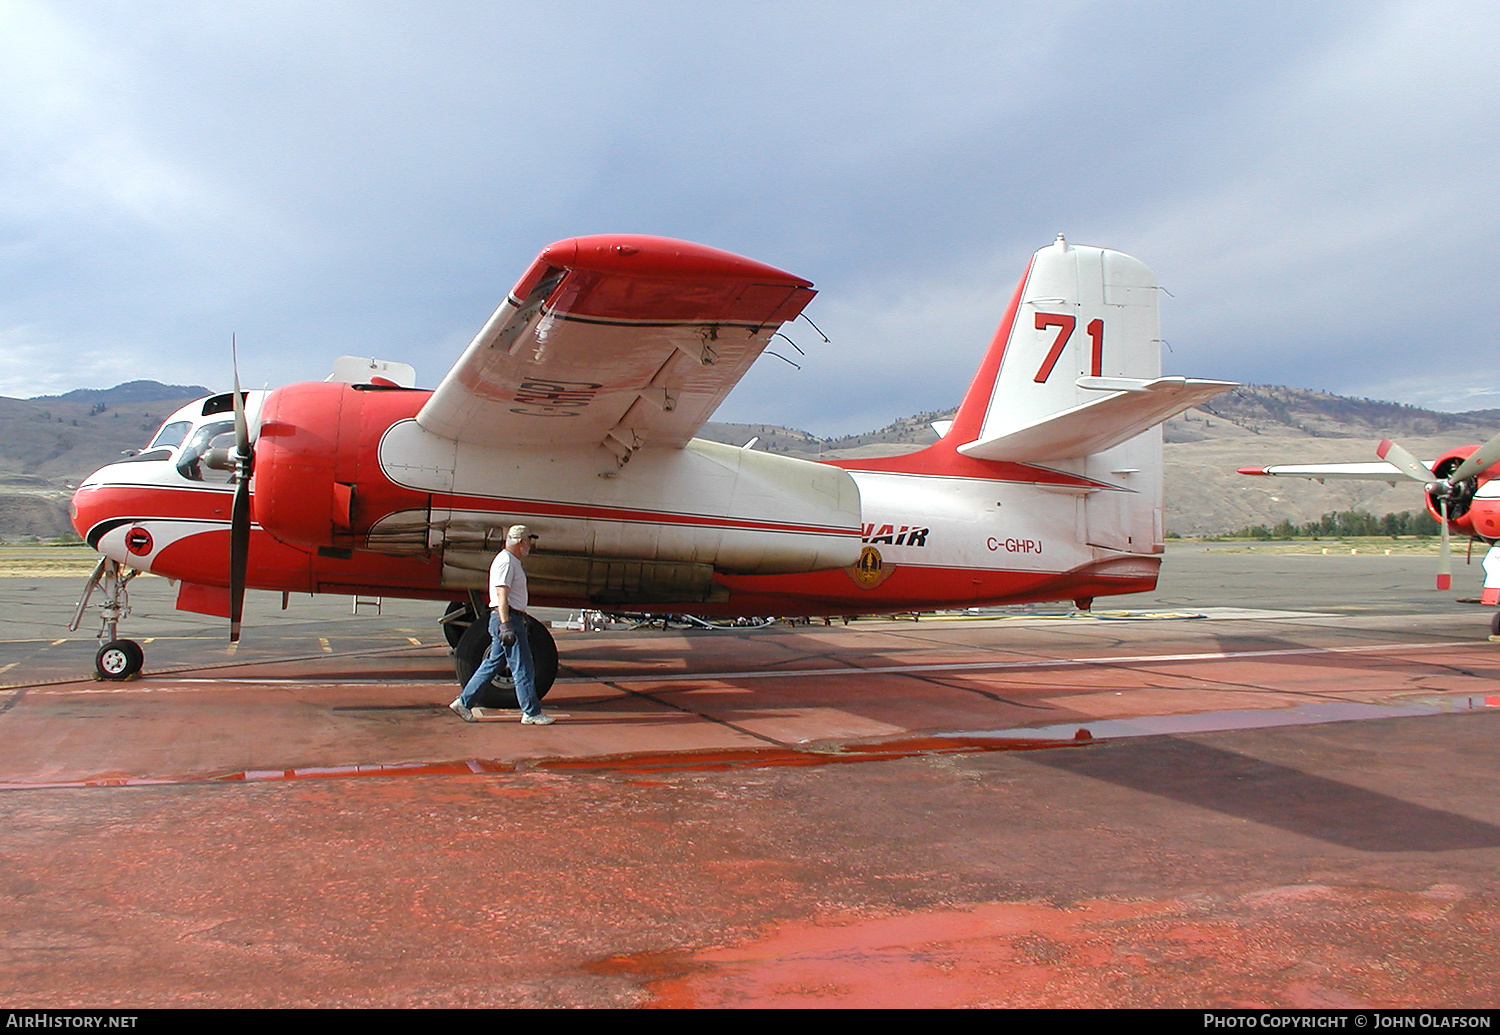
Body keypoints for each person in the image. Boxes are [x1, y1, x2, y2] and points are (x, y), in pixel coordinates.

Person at [450, 525, 554, 725]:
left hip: (507, 618)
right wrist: (506, 624)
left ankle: (464, 702)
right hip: (507, 618)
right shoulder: (506, 561)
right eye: (529, 541)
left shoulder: (510, 561)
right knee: (523, 665)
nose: (530, 545)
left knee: (493, 663)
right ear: (521, 541)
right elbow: (501, 594)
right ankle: (531, 712)